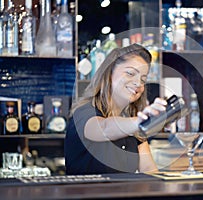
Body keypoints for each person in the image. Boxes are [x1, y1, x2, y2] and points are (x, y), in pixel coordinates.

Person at [65, 43, 167, 175]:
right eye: (130, 73)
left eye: (143, 79)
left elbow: (149, 170)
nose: (138, 83)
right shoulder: (84, 112)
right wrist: (139, 122)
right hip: (85, 195)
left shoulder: (132, 123)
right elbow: (105, 128)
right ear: (109, 72)